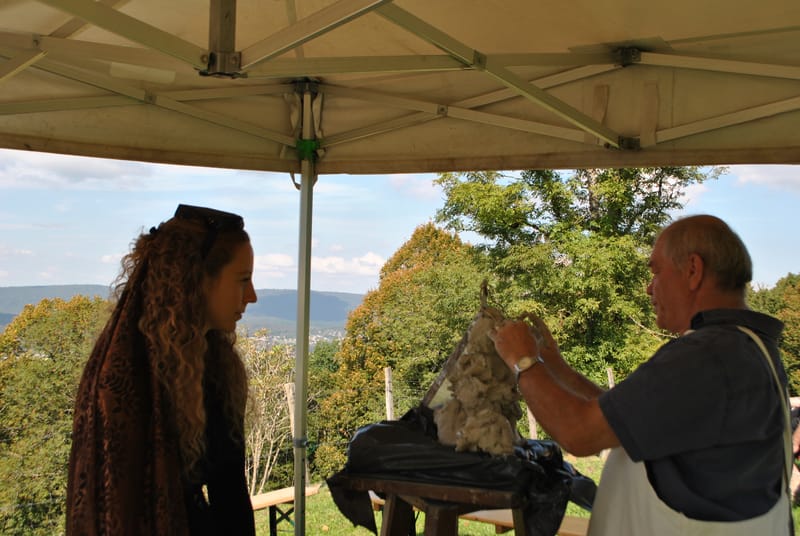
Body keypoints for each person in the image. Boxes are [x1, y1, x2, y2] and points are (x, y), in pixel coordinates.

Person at [489, 214, 792, 535]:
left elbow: (579, 433)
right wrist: (556, 368)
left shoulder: (706, 355)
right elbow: (621, 416)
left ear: (692, 270)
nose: (649, 288)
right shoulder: (746, 346)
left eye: (656, 271)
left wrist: (523, 361)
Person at [66, 204, 258, 535]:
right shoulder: (123, 381)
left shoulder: (217, 367)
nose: (251, 296)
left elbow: (231, 495)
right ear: (196, 281)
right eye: (243, 281)